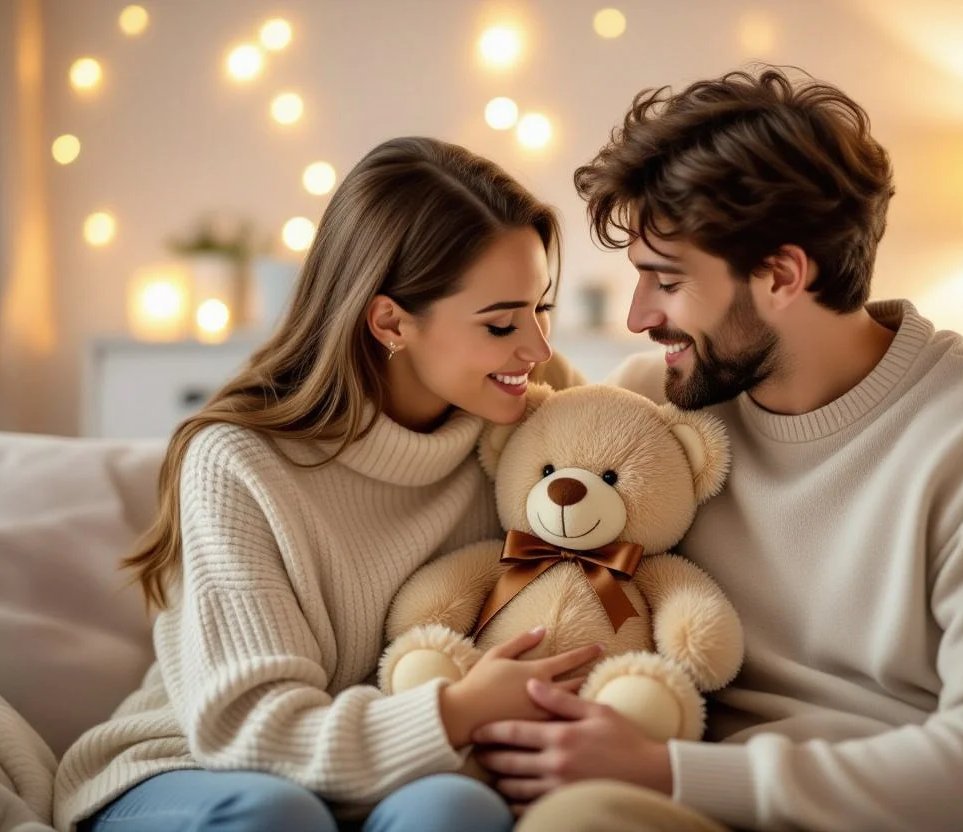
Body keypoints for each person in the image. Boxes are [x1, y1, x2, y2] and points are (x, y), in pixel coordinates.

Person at [470, 67, 963, 831]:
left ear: (783, 274)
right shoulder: (648, 412)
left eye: (667, 280)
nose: (636, 315)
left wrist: (677, 773)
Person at [53, 136, 599, 832]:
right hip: (203, 770)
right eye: (501, 323)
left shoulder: (533, 411)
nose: (537, 348)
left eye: (540, 309)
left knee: (458, 811)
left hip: (406, 777)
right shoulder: (237, 462)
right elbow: (248, 729)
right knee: (277, 817)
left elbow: (641, 441)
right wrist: (458, 710)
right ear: (390, 321)